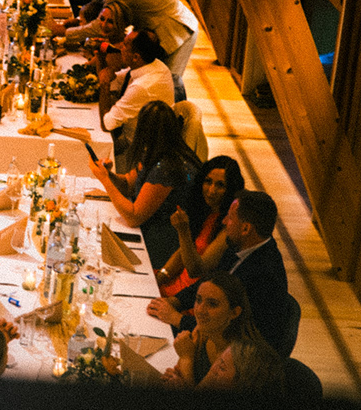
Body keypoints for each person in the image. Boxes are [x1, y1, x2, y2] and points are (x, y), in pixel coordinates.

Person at [151, 190, 291, 352]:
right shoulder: (240, 245)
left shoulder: (263, 274)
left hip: (240, 354)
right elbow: (209, 282)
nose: (224, 222)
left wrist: (178, 319)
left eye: (230, 218)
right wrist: (175, 301)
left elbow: (231, 328)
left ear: (245, 228)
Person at [89, 100, 200, 266]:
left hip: (162, 242)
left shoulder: (168, 166)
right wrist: (109, 174)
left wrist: (104, 180)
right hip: (147, 228)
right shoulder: (158, 150)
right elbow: (128, 185)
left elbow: (134, 217)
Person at [73, 0, 200, 88]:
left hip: (178, 30)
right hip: (161, 29)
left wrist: (67, 34)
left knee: (166, 85)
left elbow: (99, 27)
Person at [162, 272, 283, 391]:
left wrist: (186, 358)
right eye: (198, 300)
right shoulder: (204, 331)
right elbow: (181, 374)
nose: (200, 310)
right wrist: (177, 378)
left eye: (212, 304)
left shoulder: (237, 356)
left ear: (234, 312)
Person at [157, 157, 245, 298]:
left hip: (189, 298)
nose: (211, 190)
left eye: (220, 185)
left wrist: (183, 231)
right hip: (172, 286)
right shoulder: (205, 210)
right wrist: (159, 278)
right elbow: (182, 252)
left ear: (230, 189)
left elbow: (195, 270)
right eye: (208, 181)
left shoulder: (229, 225)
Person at [98, 28, 176, 163]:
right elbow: (115, 82)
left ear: (136, 57)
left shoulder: (142, 87)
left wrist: (104, 85)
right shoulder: (153, 64)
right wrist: (102, 60)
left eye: (125, 45)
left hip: (138, 152)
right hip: (141, 140)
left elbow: (107, 124)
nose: (119, 47)